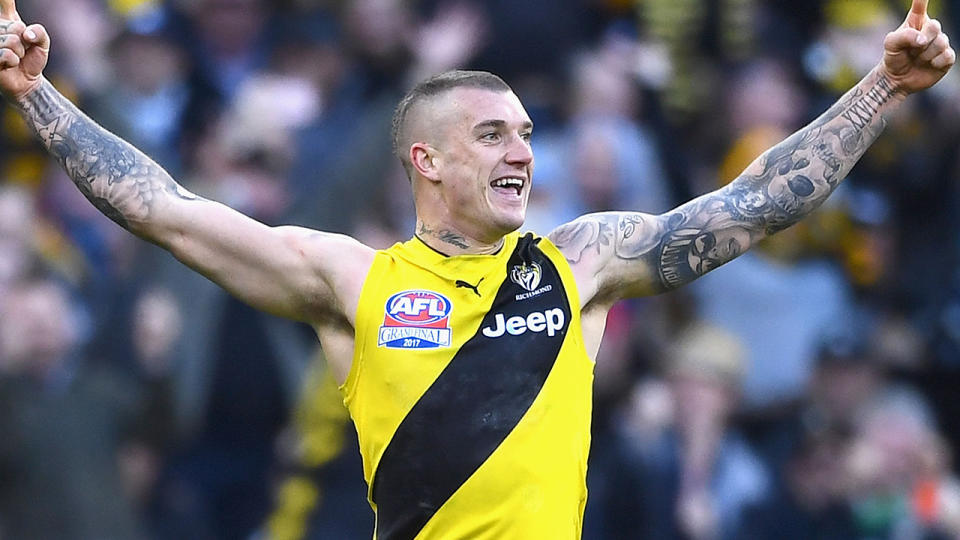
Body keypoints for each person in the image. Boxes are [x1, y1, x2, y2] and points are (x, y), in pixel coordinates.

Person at [0, 0, 954, 537]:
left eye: (528, 135)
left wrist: (881, 89)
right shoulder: (352, 281)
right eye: (491, 135)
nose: (522, 155)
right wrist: (39, 96)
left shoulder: (580, 260)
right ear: (426, 160)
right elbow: (164, 209)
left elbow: (748, 208)